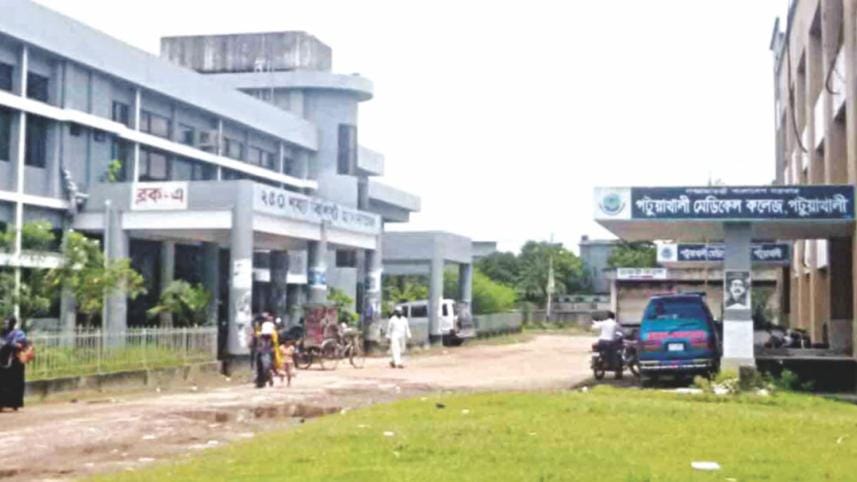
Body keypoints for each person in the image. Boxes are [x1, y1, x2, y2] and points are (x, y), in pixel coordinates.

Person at [0, 317, 29, 412]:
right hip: (3, 360)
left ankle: (15, 404)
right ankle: (2, 404)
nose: (5, 325)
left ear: (12, 324)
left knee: (15, 384)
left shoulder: (19, 333)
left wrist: (11, 344)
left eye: (7, 323)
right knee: (2, 384)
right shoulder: (2, 333)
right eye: (4, 323)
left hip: (15, 362)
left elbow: (22, 345)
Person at [591, 311, 623, 375]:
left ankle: (598, 362)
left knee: (599, 350)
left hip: (601, 342)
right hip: (610, 342)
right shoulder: (615, 324)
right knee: (615, 353)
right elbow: (620, 333)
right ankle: (611, 364)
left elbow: (594, 327)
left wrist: (595, 322)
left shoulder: (603, 323)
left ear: (607, 317)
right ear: (614, 317)